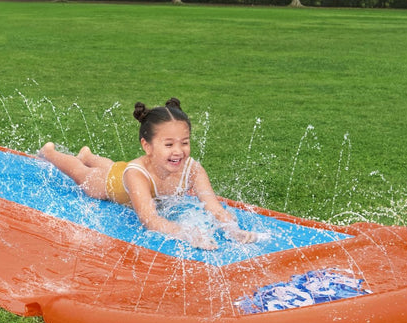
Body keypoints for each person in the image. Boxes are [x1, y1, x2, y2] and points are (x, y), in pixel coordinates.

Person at [39, 98, 259, 250]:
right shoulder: (136, 174)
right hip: (114, 183)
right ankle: (50, 153)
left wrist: (233, 230)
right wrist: (185, 232)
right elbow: (150, 219)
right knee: (83, 175)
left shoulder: (193, 169)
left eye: (184, 142)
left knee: (114, 165)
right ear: (147, 146)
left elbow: (213, 206)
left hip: (127, 170)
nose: (178, 151)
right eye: (169, 144)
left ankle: (89, 155)